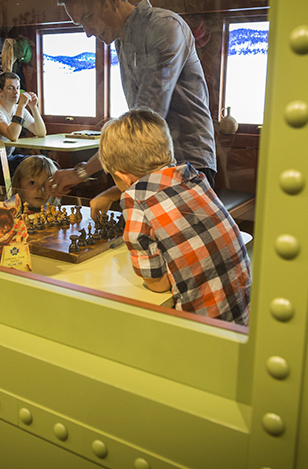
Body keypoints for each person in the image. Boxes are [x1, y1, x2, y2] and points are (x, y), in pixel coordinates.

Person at [49, 0, 217, 214]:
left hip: (188, 166)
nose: (87, 32)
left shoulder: (164, 27)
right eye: (80, 23)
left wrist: (82, 173)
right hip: (152, 168)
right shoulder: (122, 40)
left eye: (88, 16)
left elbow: (146, 120)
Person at [100, 107, 250, 326]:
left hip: (200, 328)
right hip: (241, 318)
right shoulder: (194, 177)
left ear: (123, 177)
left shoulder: (136, 198)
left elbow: (157, 284)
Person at [0, 71, 46, 173]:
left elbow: (41, 132)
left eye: (18, 88)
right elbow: (12, 135)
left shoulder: (20, 110)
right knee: (33, 169)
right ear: (0, 91)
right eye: (10, 88)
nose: (16, 92)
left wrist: (34, 108)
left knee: (42, 163)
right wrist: (21, 106)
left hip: (8, 157)